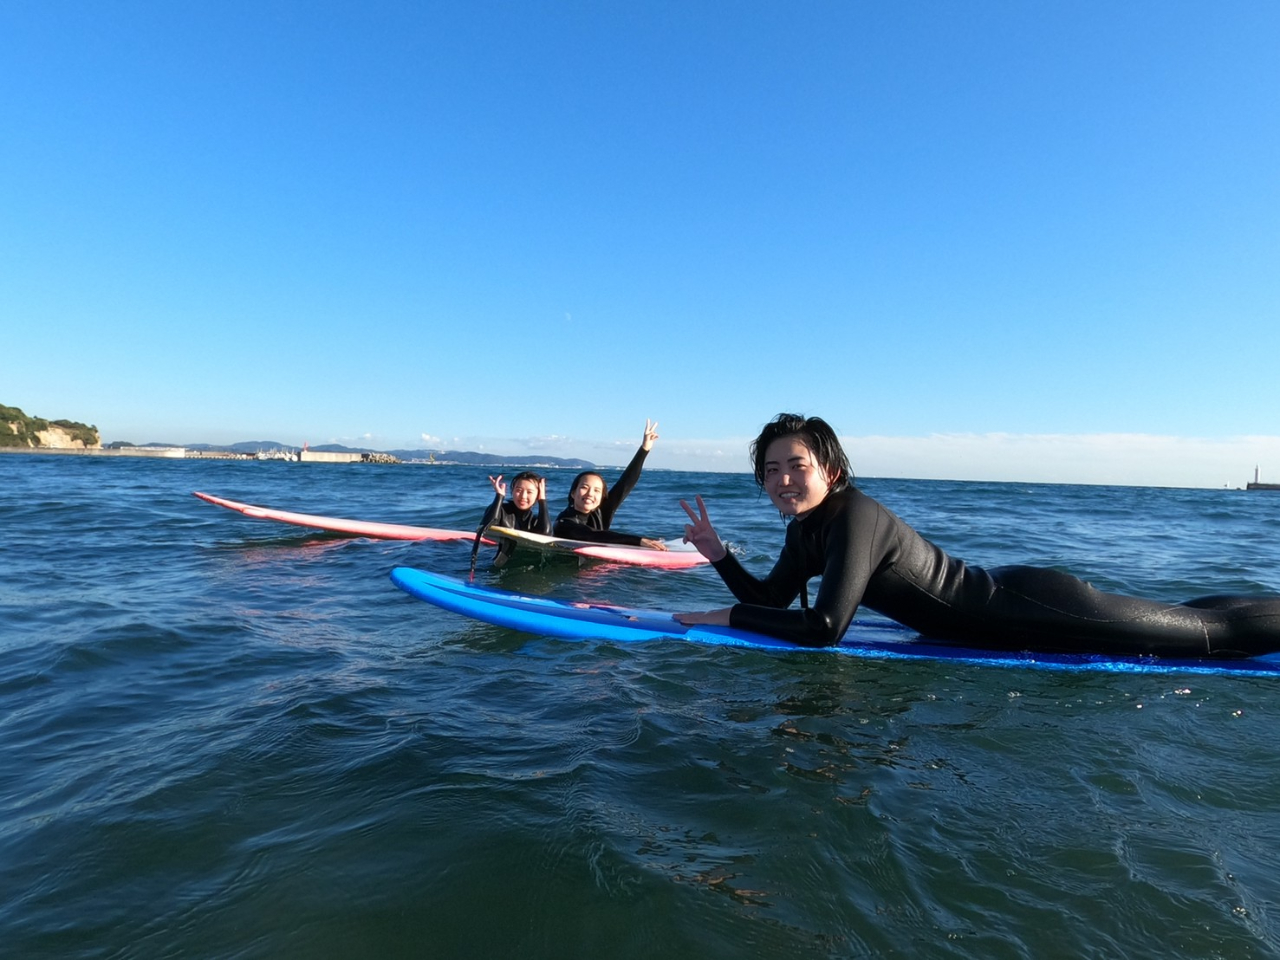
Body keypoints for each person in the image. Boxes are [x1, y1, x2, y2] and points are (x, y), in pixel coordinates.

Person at [676, 413, 1280, 658]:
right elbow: (773, 600)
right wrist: (720, 556)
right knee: (1183, 614)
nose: (782, 479)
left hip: (1030, 607)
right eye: (771, 470)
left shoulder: (855, 515)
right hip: (996, 617)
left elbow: (825, 628)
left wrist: (724, 616)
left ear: (830, 471)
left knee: (1208, 637)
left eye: (797, 465)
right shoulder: (806, 531)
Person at [553, 419, 668, 550]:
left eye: (597, 490)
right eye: (584, 487)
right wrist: (638, 541)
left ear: (602, 496)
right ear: (573, 493)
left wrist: (644, 449)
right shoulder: (563, 523)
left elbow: (625, 484)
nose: (590, 494)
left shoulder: (601, 511)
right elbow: (592, 536)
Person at [471, 471, 550, 571]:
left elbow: (546, 534)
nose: (523, 496)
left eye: (529, 492)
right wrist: (499, 496)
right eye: (518, 490)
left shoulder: (535, 520)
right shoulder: (502, 511)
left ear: (537, 495)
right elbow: (485, 526)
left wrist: (542, 500)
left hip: (528, 569)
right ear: (512, 491)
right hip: (500, 569)